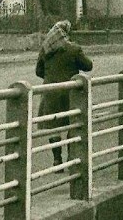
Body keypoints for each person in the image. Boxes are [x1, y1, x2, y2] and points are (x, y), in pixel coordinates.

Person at [35, 20, 93, 167]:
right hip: (70, 92)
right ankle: (71, 159)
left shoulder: (46, 49)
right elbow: (88, 66)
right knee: (71, 124)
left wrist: (51, 79)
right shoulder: (73, 49)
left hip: (50, 92)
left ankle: (56, 160)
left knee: (54, 126)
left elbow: (38, 71)